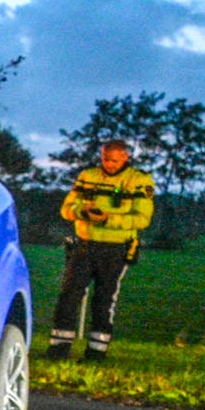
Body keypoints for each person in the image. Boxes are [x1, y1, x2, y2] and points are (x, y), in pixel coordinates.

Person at [47, 138, 155, 361]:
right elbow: (67, 208)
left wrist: (107, 219)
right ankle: (58, 349)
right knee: (69, 295)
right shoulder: (88, 176)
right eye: (106, 159)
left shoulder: (138, 180)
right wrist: (83, 212)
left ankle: (96, 352)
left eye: (115, 160)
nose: (110, 164)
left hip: (116, 249)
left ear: (126, 157)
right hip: (85, 245)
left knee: (104, 300)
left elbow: (143, 219)